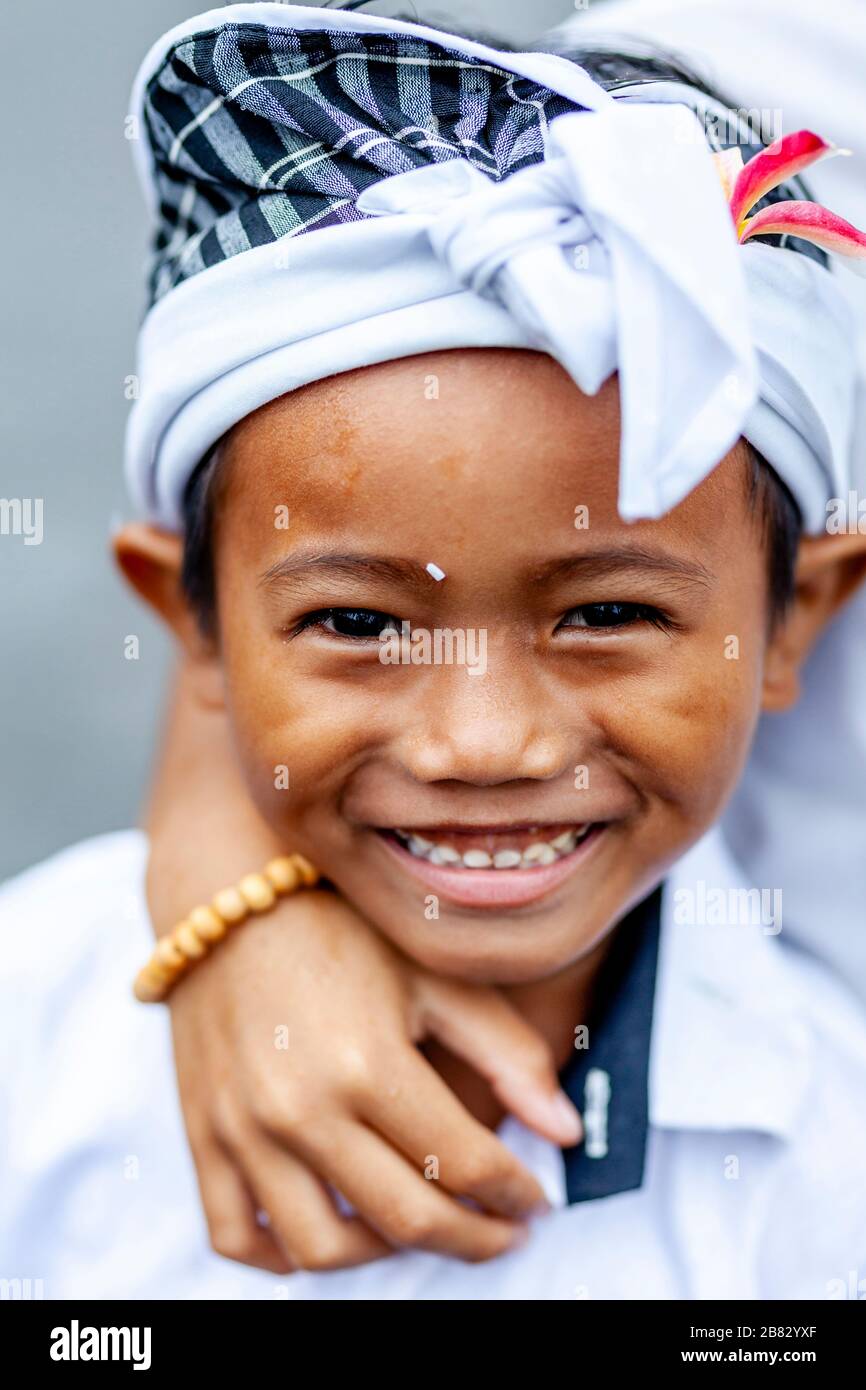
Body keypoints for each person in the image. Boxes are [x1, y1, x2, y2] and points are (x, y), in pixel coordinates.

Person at [2, 3, 866, 1298]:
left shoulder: (825, 1165)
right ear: (190, 624)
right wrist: (225, 916)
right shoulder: (30, 1032)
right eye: (357, 622)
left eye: (605, 614)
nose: (482, 743)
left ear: (798, 614)